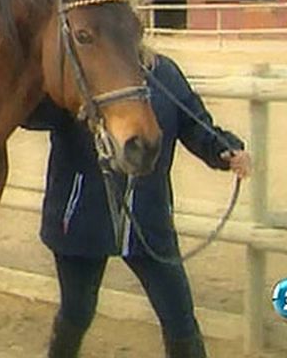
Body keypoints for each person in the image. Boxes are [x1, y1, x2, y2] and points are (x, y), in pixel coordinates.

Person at [22, 51, 252, 358]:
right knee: (77, 312)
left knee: (179, 317)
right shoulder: (77, 72)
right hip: (81, 219)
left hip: (148, 218)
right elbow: (32, 115)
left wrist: (223, 149)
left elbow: (194, 123)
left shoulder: (164, 73)